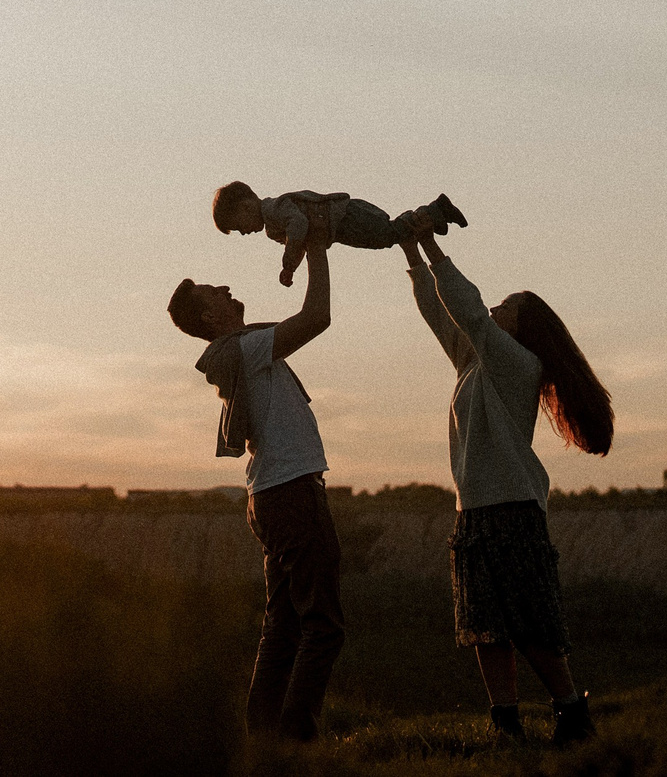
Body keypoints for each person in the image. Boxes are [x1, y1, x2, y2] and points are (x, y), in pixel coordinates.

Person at [402, 228, 614, 747]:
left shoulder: (519, 365)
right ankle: (507, 724)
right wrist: (409, 251)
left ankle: (571, 711)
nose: (495, 308)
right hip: (474, 510)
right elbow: (442, 312)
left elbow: (469, 311)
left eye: (506, 306)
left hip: (512, 508)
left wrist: (431, 245)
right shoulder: (474, 361)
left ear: (524, 328)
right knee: (485, 625)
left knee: (530, 623)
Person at [168, 227, 341, 742]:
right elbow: (317, 318)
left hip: (273, 494)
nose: (224, 288)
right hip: (289, 493)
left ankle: (262, 741)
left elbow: (291, 324)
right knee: (323, 626)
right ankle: (294, 739)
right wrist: (316, 248)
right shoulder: (244, 350)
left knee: (284, 629)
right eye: (212, 293)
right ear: (209, 317)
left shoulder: (248, 346)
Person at [213, 182, 467, 286]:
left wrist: (288, 264)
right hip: (341, 227)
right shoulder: (272, 228)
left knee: (386, 234)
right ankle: (431, 220)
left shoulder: (275, 208)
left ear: (246, 206)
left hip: (346, 215)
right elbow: (299, 242)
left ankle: (434, 210)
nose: (243, 233)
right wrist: (294, 264)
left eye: (238, 226)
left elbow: (299, 226)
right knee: (387, 238)